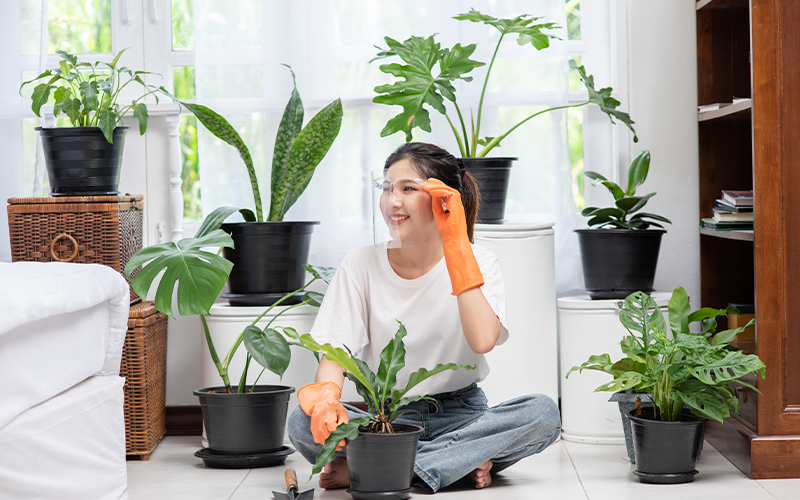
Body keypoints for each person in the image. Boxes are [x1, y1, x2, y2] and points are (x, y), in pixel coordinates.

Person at [287, 142, 560, 493]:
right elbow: (333, 358)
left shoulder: (478, 259)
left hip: (464, 416)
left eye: (408, 189)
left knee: (542, 413)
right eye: (386, 188)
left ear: (442, 198)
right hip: (387, 422)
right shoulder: (360, 265)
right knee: (300, 419)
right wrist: (326, 400)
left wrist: (457, 245)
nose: (392, 201)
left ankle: (377, 469)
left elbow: (482, 340)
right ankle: (451, 465)